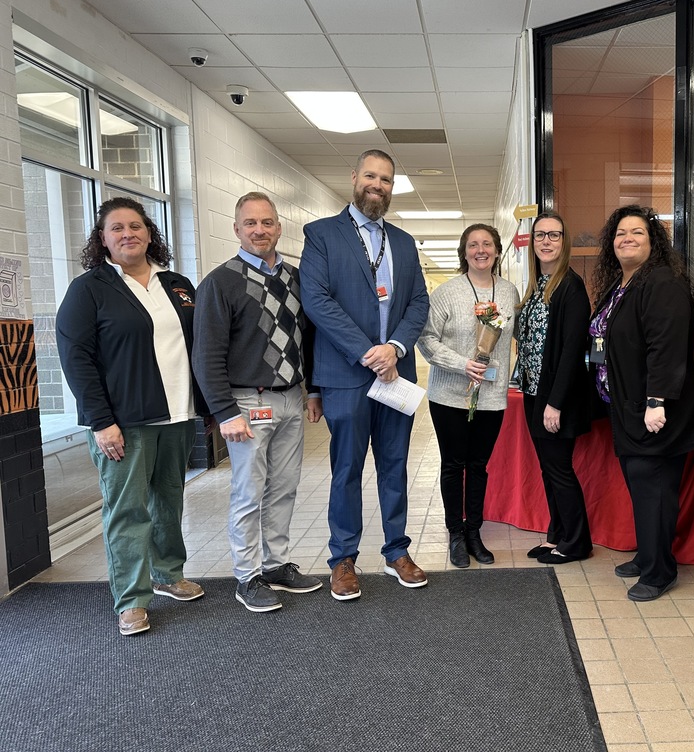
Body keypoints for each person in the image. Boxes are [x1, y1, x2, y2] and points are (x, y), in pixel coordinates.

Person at [56, 197, 207, 636]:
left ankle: (168, 573)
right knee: (127, 510)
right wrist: (101, 421)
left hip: (178, 415)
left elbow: (197, 347)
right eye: (117, 228)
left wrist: (207, 405)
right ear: (102, 238)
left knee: (169, 500)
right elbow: (76, 359)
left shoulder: (177, 283)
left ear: (149, 233)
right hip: (124, 422)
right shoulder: (89, 289)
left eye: (136, 226)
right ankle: (131, 599)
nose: (128, 234)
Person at [300, 149, 430, 600]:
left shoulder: (405, 242)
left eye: (387, 180)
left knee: (394, 468)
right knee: (346, 470)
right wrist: (367, 352)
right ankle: (344, 559)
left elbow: (418, 304)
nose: (378, 185)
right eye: (371, 176)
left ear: (393, 187)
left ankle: (397, 551)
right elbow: (317, 301)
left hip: (396, 374)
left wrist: (394, 348)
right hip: (346, 374)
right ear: (354, 177)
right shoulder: (320, 235)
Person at [193, 192, 324, 613]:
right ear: (236, 229)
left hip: (290, 399)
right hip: (247, 403)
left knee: (284, 488)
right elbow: (206, 353)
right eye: (250, 223)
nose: (259, 230)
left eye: (267, 223)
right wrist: (224, 410)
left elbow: (309, 338)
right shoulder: (219, 282)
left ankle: (275, 565)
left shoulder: (297, 277)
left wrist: (313, 390)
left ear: (278, 228)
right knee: (248, 493)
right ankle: (246, 577)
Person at [589, 205, 694, 601]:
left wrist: (656, 401)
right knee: (642, 487)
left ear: (653, 241)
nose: (627, 239)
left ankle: (659, 572)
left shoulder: (662, 282)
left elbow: (666, 348)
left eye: (637, 232)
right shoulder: (622, 285)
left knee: (655, 488)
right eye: (620, 233)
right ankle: (648, 555)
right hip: (626, 407)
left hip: (655, 410)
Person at [417, 224, 519, 567]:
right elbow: (426, 339)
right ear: (464, 252)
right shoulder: (446, 293)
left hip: (491, 396)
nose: (480, 250)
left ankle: (474, 532)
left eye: (487, 244)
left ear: (496, 250)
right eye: (473, 245)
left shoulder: (509, 293)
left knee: (478, 465)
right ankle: (455, 535)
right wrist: (463, 364)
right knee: (453, 464)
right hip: (449, 395)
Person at [514, 212, 593, 565]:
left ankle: (577, 543)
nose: (546, 241)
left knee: (559, 469)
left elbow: (571, 351)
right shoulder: (538, 285)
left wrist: (555, 403)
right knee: (548, 469)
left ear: (564, 242)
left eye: (554, 235)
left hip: (555, 399)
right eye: (540, 235)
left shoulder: (570, 288)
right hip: (534, 393)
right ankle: (557, 535)